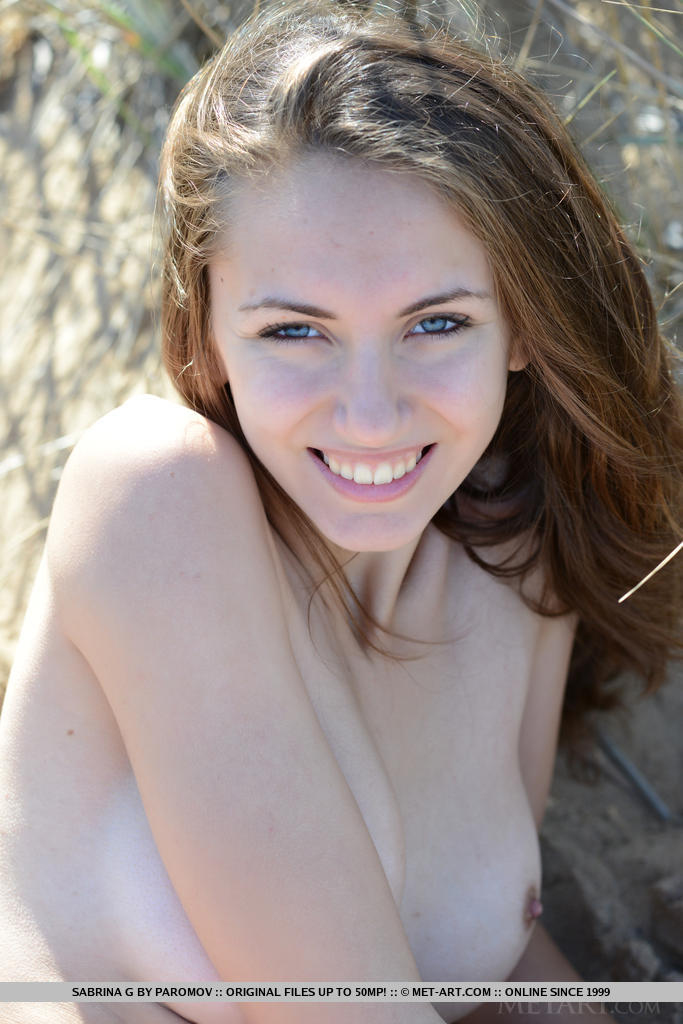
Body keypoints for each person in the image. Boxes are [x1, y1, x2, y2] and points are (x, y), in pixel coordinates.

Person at [0, 1, 681, 1022]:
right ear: (208, 333)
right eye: (294, 331)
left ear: (522, 328)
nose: (369, 414)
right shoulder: (157, 498)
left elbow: (491, 973)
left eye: (435, 323)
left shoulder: (517, 553)